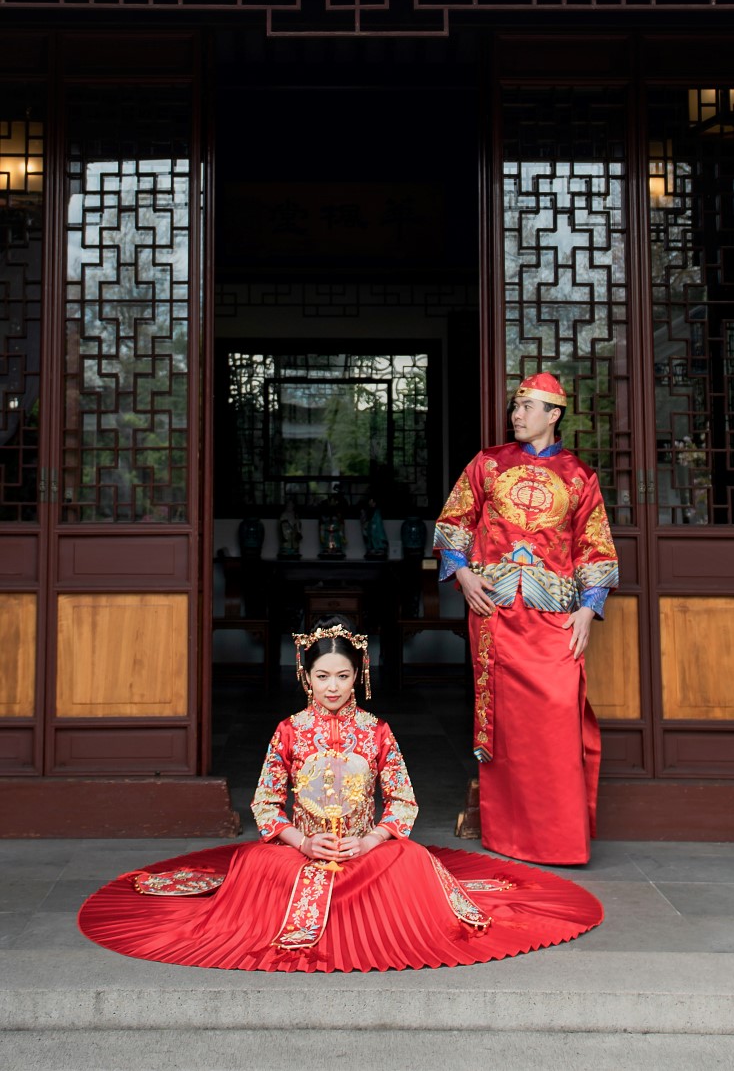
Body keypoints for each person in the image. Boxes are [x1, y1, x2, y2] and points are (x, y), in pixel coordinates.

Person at [78, 616, 604, 972]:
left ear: (359, 677)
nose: (333, 687)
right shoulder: (288, 730)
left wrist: (372, 840)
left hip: (364, 849)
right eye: (322, 676)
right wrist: (299, 842)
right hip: (298, 850)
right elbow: (263, 803)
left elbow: (402, 802)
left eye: (343, 676)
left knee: (410, 862)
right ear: (306, 677)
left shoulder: (377, 731)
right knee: (257, 868)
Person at [434, 373, 619, 866]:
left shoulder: (578, 474)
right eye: (516, 406)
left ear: (554, 415)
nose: (517, 414)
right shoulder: (488, 463)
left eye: (528, 406)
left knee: (558, 719)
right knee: (508, 725)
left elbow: (595, 546)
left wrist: (587, 607)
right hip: (495, 612)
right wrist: (464, 578)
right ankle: (509, 836)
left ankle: (561, 839)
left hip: (555, 614)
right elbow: (453, 522)